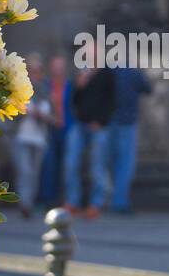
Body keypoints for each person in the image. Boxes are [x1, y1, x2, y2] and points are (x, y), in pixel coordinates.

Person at [64, 66, 114, 219]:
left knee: (97, 165)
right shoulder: (81, 72)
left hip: (99, 127)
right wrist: (79, 87)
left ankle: (96, 203)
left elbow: (113, 100)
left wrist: (101, 121)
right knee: (71, 162)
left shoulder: (107, 74)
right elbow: (73, 100)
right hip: (80, 124)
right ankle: (73, 201)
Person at [107, 66, 152, 214]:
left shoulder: (109, 72)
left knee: (112, 162)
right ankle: (119, 202)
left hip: (111, 120)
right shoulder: (133, 72)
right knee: (125, 164)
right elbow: (148, 88)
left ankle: (112, 199)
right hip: (128, 122)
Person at [11, 90, 51, 219]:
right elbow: (11, 116)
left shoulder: (46, 95)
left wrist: (42, 116)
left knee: (34, 173)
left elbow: (56, 119)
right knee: (25, 171)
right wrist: (24, 113)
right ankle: (24, 204)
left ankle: (30, 202)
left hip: (39, 141)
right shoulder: (20, 94)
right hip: (22, 138)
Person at [37, 55, 71, 208]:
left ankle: (63, 200)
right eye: (56, 66)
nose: (58, 70)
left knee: (67, 165)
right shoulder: (45, 86)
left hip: (67, 129)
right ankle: (46, 199)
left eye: (61, 67)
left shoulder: (70, 86)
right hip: (48, 130)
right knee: (48, 164)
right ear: (51, 68)